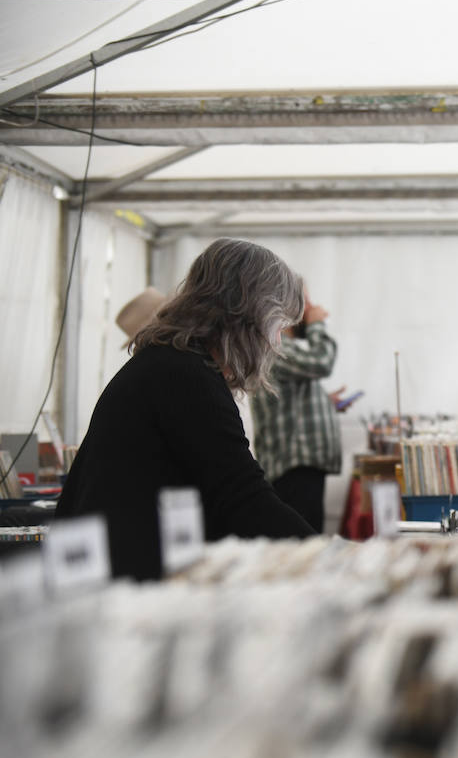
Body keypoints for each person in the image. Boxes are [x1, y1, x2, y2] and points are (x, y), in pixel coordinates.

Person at [56, 238, 314, 581]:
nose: (278, 342)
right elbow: (243, 497)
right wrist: (333, 556)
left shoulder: (172, 364)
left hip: (111, 570)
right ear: (250, 314)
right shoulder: (185, 376)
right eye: (278, 325)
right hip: (117, 581)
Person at [249, 290, 345, 533]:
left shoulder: (282, 349)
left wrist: (325, 402)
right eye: (307, 302)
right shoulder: (274, 348)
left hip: (298, 468)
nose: (313, 307)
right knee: (305, 542)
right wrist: (317, 325)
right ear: (287, 309)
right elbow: (321, 360)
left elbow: (287, 401)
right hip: (294, 470)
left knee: (307, 538)